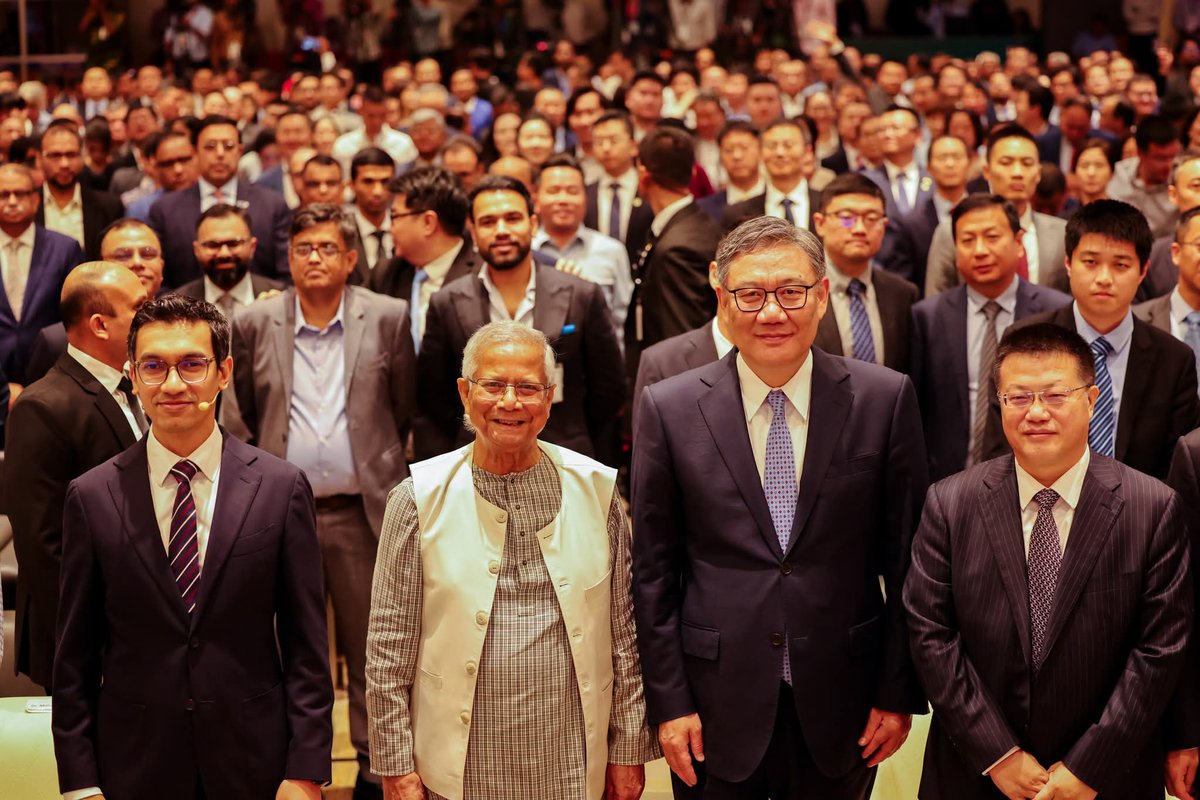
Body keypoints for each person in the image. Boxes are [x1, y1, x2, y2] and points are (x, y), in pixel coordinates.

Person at [633, 214, 929, 799]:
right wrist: (669, 703)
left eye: (791, 292)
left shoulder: (884, 398)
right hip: (713, 698)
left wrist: (896, 691)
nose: (772, 313)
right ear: (722, 301)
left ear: (821, 296)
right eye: (750, 294)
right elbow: (654, 572)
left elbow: (909, 563)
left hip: (844, 693)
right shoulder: (668, 408)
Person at [52, 292, 333, 799]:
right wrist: (80, 783)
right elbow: (73, 657)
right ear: (133, 376)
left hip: (256, 761)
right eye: (155, 366)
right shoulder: (91, 496)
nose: (174, 384)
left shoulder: (280, 487)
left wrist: (307, 769)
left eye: (192, 365)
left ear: (223, 372)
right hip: (134, 763)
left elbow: (307, 646)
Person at [366, 320, 657, 800]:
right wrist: (396, 766)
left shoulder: (597, 491)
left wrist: (628, 748)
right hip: (456, 765)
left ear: (549, 398)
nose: (509, 402)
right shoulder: (417, 497)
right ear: (464, 392)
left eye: (527, 387)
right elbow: (388, 647)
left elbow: (624, 637)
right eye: (493, 385)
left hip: (569, 758)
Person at [904, 322, 1193, 800]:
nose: (1036, 413)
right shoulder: (950, 503)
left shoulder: (1152, 507)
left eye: (1056, 395)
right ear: (999, 404)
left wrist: (1089, 766)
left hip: (1107, 777)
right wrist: (998, 754)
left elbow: (1159, 649)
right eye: (1018, 398)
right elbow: (930, 632)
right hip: (976, 772)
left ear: (1092, 398)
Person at [230, 203, 415, 799]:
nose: (314, 257)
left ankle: (372, 769)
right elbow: (243, 416)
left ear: (351, 257)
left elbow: (404, 407)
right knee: (285, 649)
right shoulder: (257, 320)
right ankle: (293, 772)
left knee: (373, 652)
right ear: (287, 257)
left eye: (327, 248)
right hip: (279, 516)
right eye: (303, 248)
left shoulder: (387, 316)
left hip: (363, 514)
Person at [7, 262, 147, 693]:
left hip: (138, 624)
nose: (151, 316)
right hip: (88, 638)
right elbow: (44, 548)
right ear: (101, 324)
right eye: (139, 308)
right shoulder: (43, 406)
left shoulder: (138, 384)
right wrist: (88, 648)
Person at [984, 199, 1199, 479]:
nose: (1104, 278)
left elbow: (1178, 468)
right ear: (1068, 263)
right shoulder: (1024, 343)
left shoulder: (1173, 358)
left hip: (1139, 513)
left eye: (1120, 265)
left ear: (1143, 271)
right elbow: (1000, 447)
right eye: (1091, 262)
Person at [417, 175, 625, 463]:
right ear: (473, 233)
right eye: (488, 222)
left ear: (534, 224)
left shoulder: (581, 294)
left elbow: (608, 389)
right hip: (477, 458)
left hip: (565, 454)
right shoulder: (447, 302)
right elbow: (435, 398)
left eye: (512, 218)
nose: (501, 230)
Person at [911, 194, 1071, 481]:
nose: (980, 250)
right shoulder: (927, 317)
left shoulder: (1056, 311)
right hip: (949, 480)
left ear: (1018, 242)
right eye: (968, 240)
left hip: (1037, 476)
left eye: (992, 236)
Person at [925, 125, 1070, 296]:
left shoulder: (1062, 232)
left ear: (1038, 173)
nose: (1017, 172)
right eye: (1006, 162)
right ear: (986, 171)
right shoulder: (953, 230)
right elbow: (937, 302)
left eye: (1026, 163)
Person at [149, 115, 292, 287]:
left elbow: (287, 274)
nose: (220, 154)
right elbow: (158, 279)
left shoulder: (271, 205)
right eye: (210, 147)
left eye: (228, 146)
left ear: (240, 151)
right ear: (195, 152)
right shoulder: (165, 210)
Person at [24, 217, 167, 385]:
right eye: (122, 255)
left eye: (148, 254)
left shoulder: (184, 328)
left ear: (162, 264)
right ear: (100, 264)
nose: (137, 263)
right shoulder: (55, 342)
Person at [627, 125, 720, 380]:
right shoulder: (697, 223)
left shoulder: (678, 249)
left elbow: (684, 345)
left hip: (678, 385)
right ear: (691, 171)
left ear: (643, 173)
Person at [811, 173, 919, 373]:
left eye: (871, 218)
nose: (859, 229)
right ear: (820, 223)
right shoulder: (800, 291)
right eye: (846, 218)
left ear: (884, 226)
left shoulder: (903, 294)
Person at [368, 167, 483, 350]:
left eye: (395, 217)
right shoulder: (385, 274)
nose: (391, 228)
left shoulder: (481, 277)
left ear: (428, 223)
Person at [0, 163, 83, 388]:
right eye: (4, 194)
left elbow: (76, 318)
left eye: (20, 193)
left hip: (53, 374)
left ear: (36, 200)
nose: (12, 201)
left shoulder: (65, 248)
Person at [533, 153, 633, 334]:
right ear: (536, 200)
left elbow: (623, 320)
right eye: (553, 191)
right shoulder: (526, 251)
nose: (563, 200)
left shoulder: (612, 250)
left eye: (572, 191)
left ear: (586, 198)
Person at [37, 121, 124, 260]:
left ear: (82, 157)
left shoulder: (109, 207)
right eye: (55, 155)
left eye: (71, 155)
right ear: (40, 159)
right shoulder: (28, 206)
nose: (64, 164)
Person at [722, 117, 821, 233]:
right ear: (760, 152)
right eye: (772, 146)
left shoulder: (826, 205)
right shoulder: (737, 214)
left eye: (788, 145)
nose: (780, 153)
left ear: (807, 151)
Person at [585, 111, 654, 263]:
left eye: (614, 140)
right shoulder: (585, 193)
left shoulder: (651, 190)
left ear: (634, 146)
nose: (606, 148)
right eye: (599, 142)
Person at [1107, 115, 1182, 239]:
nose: (1169, 166)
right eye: (1161, 158)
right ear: (1140, 153)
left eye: (1173, 156)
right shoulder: (1122, 173)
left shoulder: (1181, 182)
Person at [862, 107, 933, 220]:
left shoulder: (933, 179)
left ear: (918, 135)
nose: (887, 135)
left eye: (895, 128)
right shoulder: (865, 181)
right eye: (882, 129)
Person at [696, 120, 764, 223]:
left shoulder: (776, 201)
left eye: (744, 148)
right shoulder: (704, 210)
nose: (737, 156)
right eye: (729, 150)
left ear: (760, 151)